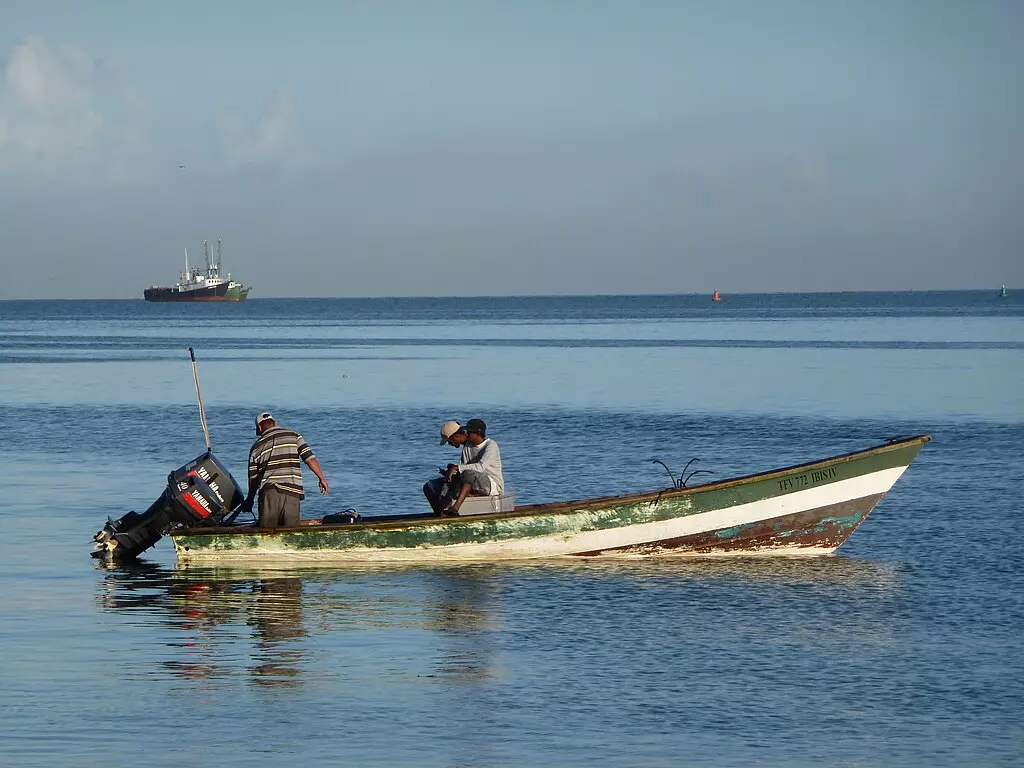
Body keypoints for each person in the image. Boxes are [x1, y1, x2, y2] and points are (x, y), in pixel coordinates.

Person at [242, 411, 329, 528]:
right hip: (291, 493)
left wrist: (249, 500)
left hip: (269, 495)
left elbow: (253, 480)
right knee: (291, 534)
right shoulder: (294, 435)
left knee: (267, 534)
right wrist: (321, 478)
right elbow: (310, 458)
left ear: (259, 427)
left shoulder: (256, 447)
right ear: (275, 423)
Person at [427, 418, 504, 516]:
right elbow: (464, 469)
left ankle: (455, 508)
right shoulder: (468, 446)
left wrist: (457, 468)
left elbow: (480, 467)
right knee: (431, 486)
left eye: (469, 432)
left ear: (477, 433)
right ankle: (441, 514)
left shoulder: (491, 446)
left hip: (492, 486)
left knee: (468, 474)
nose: (466, 434)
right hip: (472, 481)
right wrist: (450, 473)